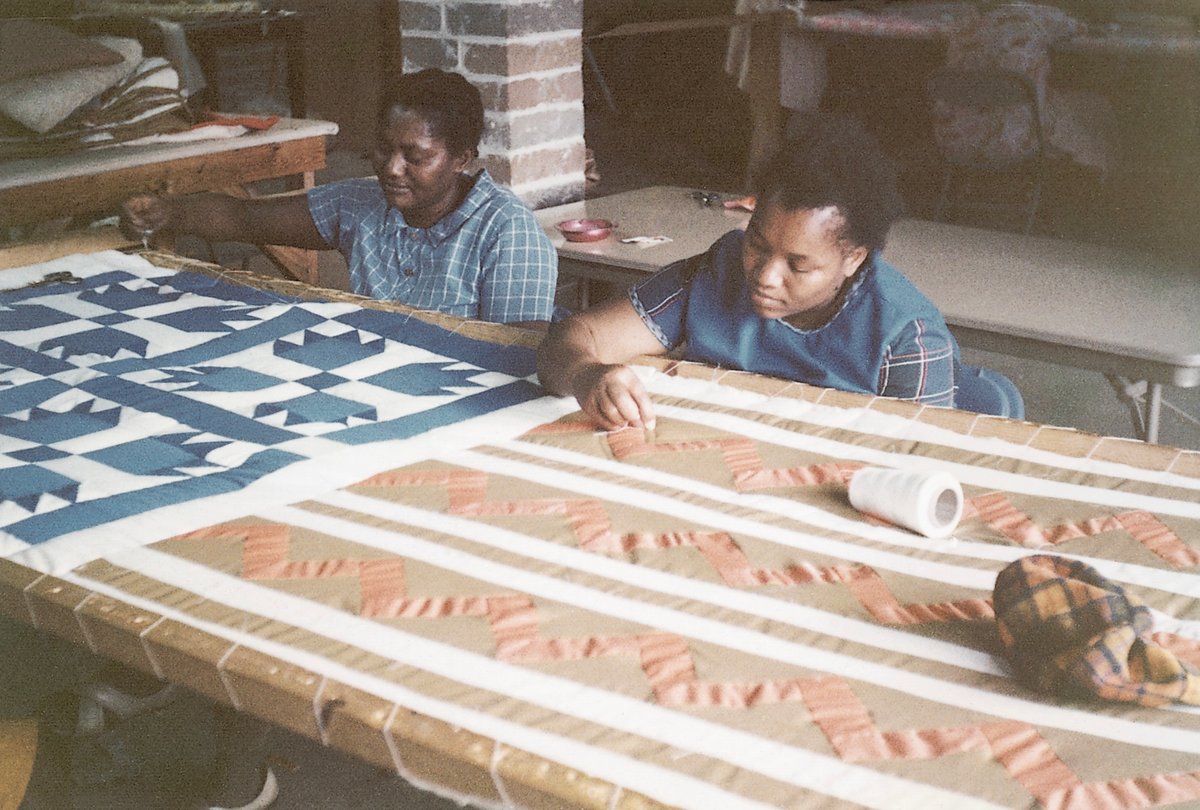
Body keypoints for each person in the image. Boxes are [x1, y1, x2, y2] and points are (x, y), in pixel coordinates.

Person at [537, 117, 959, 431]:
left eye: (798, 265)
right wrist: (587, 375)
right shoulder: (717, 271)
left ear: (854, 259)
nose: (765, 276)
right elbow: (577, 338)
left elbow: (923, 460)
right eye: (756, 244)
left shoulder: (907, 337)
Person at [121, 69, 558, 328]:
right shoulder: (362, 205)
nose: (391, 168)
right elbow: (244, 218)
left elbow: (516, 357)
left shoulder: (506, 231)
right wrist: (165, 213)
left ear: (462, 158)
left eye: (416, 157)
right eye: (384, 149)